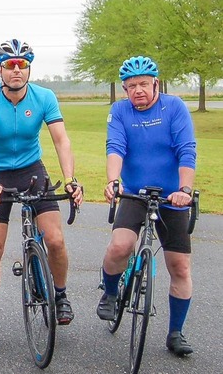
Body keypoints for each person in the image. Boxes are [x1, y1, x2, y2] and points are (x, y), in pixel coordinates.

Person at [0, 39, 84, 346]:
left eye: (23, 65)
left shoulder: (44, 96)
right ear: (0, 69)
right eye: (10, 65)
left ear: (29, 68)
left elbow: (61, 141)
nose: (17, 70)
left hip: (32, 170)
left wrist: (70, 179)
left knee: (56, 239)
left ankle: (60, 295)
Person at [97, 56, 197, 356]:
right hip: (134, 193)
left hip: (171, 196)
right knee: (120, 246)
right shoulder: (120, 111)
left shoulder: (174, 106)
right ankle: (111, 294)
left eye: (143, 84)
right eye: (131, 86)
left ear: (155, 83)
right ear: (125, 89)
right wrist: (114, 182)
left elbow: (186, 150)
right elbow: (115, 147)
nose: (137, 90)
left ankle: (176, 332)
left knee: (179, 265)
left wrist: (185, 189)